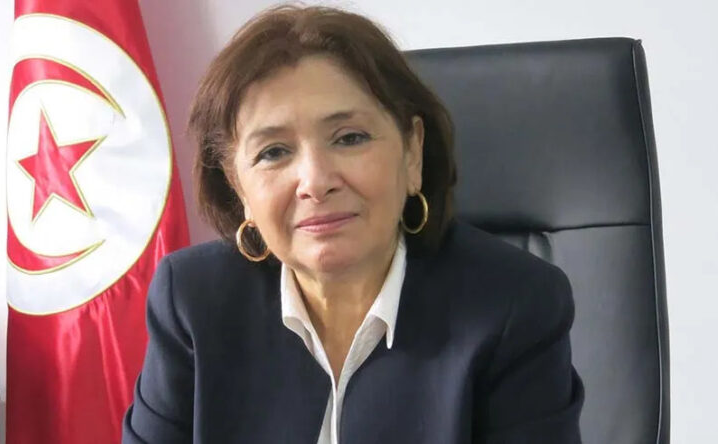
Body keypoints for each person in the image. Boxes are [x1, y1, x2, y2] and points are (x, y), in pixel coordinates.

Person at [121, 3, 584, 443]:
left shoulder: (514, 306)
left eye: (349, 138)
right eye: (274, 152)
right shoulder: (192, 301)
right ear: (238, 187)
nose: (315, 182)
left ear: (413, 152)